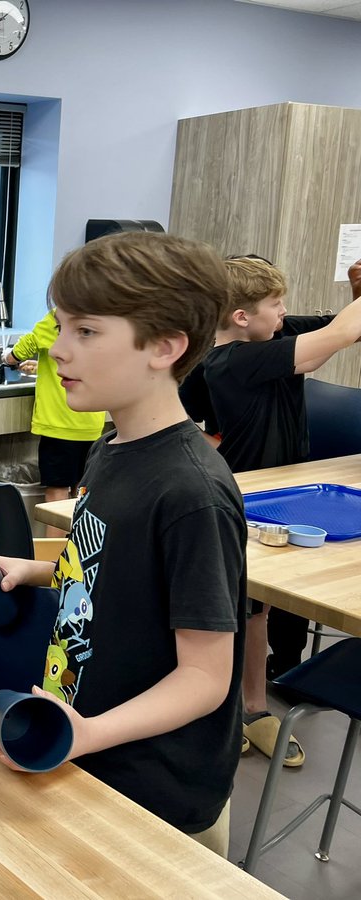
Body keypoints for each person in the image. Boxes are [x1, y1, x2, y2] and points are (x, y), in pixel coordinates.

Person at [0, 232, 246, 857]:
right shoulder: (113, 447)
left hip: (152, 792)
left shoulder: (192, 493)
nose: (59, 348)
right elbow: (111, 572)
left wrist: (89, 733)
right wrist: (35, 568)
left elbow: (205, 678)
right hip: (87, 749)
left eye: (86, 331)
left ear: (164, 347)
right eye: (60, 327)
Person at [183, 254, 361, 766]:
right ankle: (218, 712)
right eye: (276, 305)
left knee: (255, 611)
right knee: (232, 613)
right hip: (245, 502)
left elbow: (346, 328)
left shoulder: (269, 338)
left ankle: (255, 710)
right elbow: (335, 339)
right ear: (242, 317)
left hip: (282, 497)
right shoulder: (232, 360)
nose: (285, 313)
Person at [3, 310, 106, 537]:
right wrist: (43, 365)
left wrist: (8, 358)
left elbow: (20, 351)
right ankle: (78, 553)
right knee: (82, 492)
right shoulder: (98, 321)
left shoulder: (57, 321)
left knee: (57, 494)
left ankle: (53, 560)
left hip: (59, 424)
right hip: (91, 423)